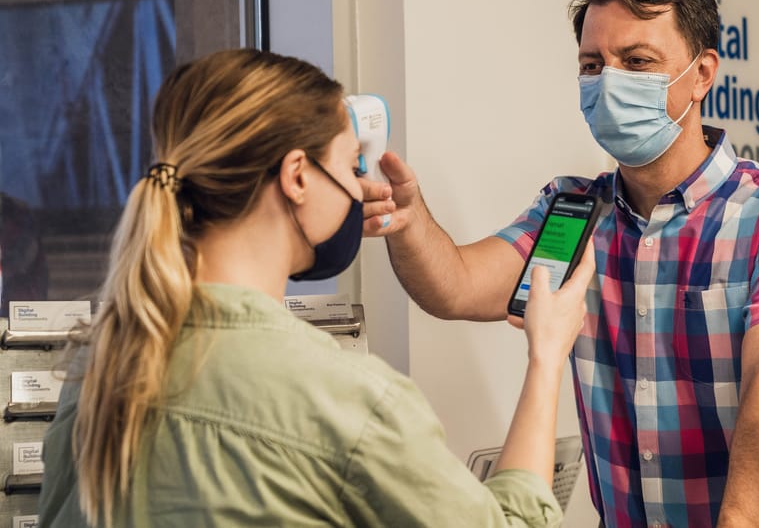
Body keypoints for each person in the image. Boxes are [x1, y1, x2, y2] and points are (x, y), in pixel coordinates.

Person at [361, 0, 759, 527]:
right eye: (593, 65)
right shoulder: (575, 212)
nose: (609, 82)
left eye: (637, 62)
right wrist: (409, 219)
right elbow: (457, 287)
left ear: (703, 73)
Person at [37, 48, 594, 527]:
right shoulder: (343, 398)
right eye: (353, 164)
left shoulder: (99, 368)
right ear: (297, 176)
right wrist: (546, 357)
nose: (362, 185)